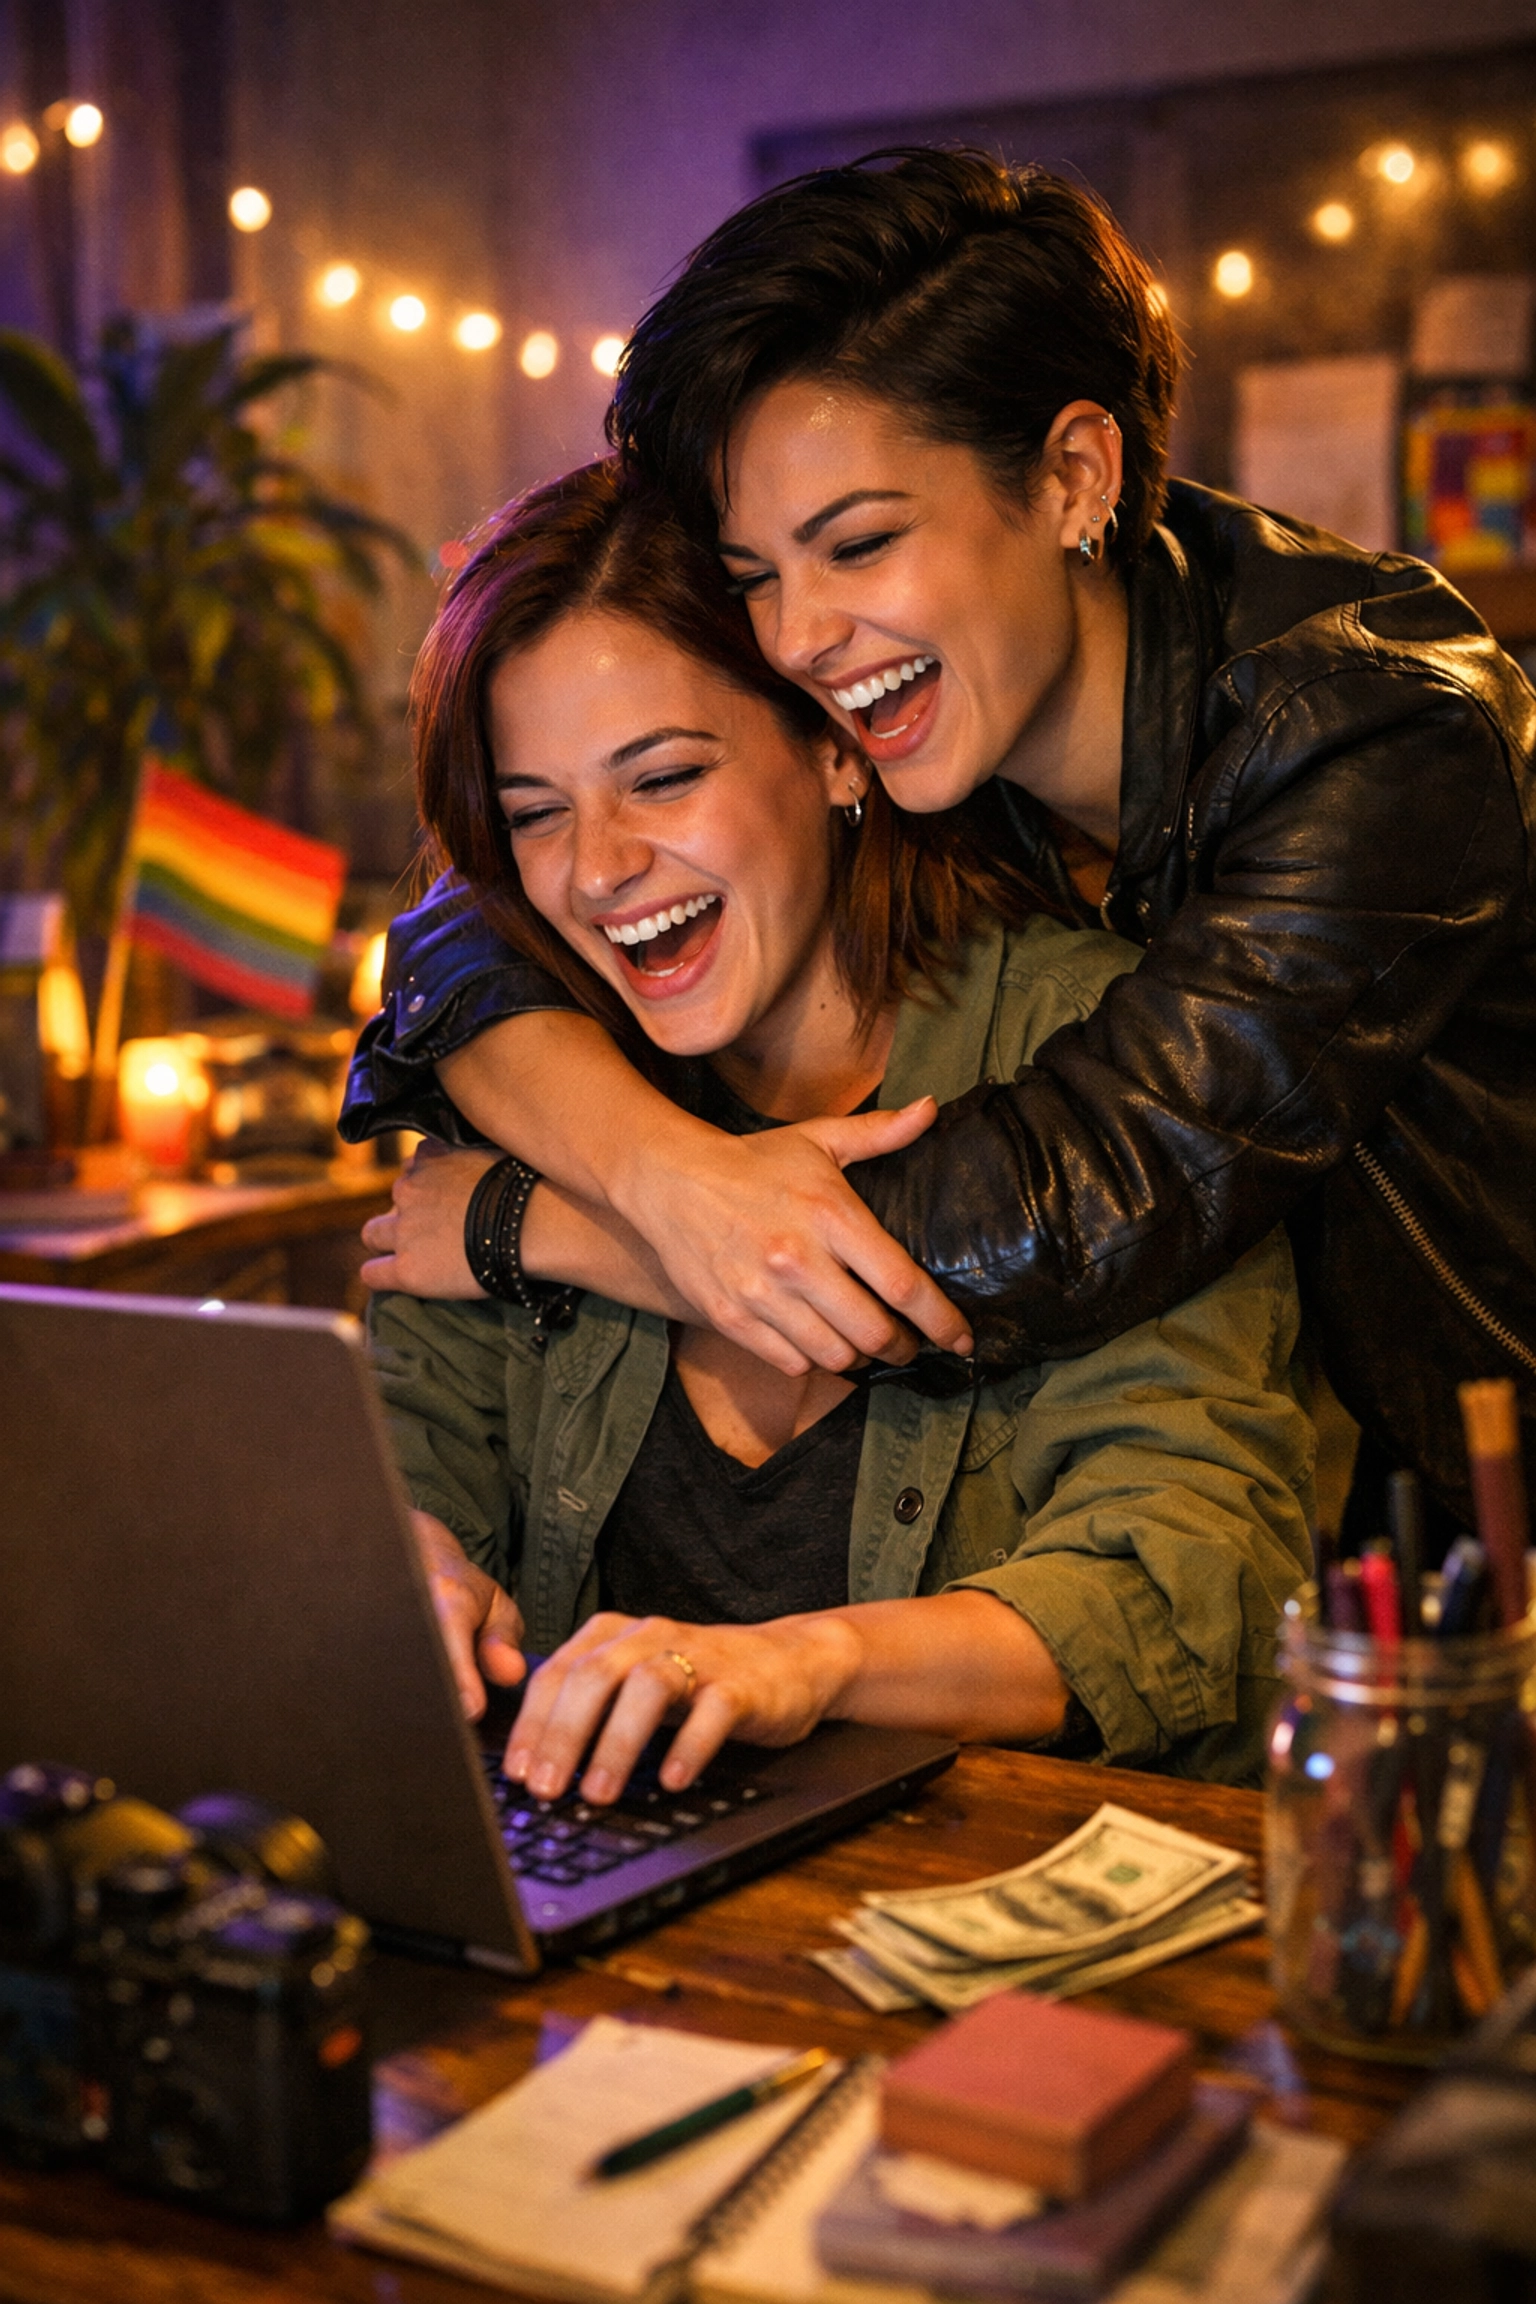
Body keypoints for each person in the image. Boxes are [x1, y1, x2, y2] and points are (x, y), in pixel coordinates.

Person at [344, 150, 1536, 1542]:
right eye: (756, 578)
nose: (794, 639)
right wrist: (671, 1176)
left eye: (858, 546)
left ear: (1075, 476)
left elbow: (1087, 1198)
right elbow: (466, 932)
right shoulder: (947, 710)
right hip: (1355, 1515)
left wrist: (555, 1229)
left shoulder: (1368, 737)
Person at [363, 460, 1313, 1803]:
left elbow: (1180, 1571)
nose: (597, 868)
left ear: (832, 750)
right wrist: (417, 1570)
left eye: (665, 777)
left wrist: (796, 1665)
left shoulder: (1096, 1042)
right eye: (536, 814)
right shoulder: (528, 1080)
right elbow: (407, 1453)